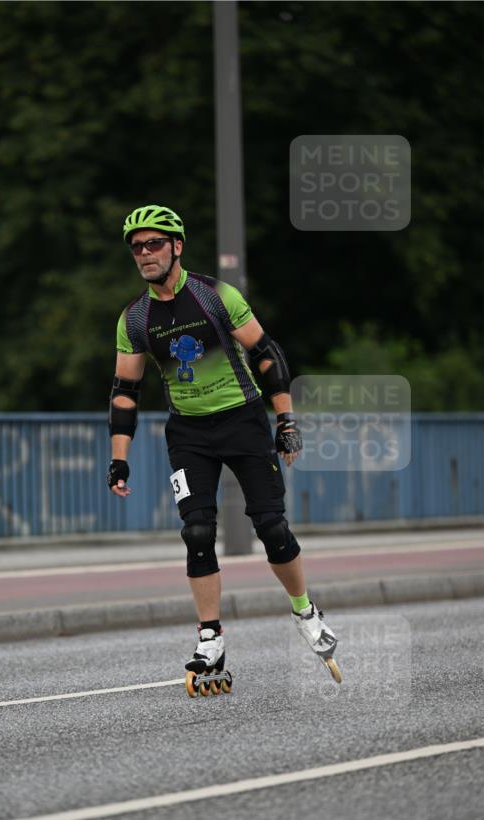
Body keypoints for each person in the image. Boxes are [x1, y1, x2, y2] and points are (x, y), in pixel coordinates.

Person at [107, 204, 338, 689]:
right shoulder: (135, 319)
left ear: (177, 247)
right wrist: (119, 459)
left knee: (271, 526)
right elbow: (126, 392)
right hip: (189, 433)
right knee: (196, 531)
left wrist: (286, 420)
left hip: (244, 420)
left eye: (153, 244)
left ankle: (305, 610)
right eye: (136, 247)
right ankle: (210, 635)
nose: (144, 254)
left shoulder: (214, 295)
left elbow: (266, 353)